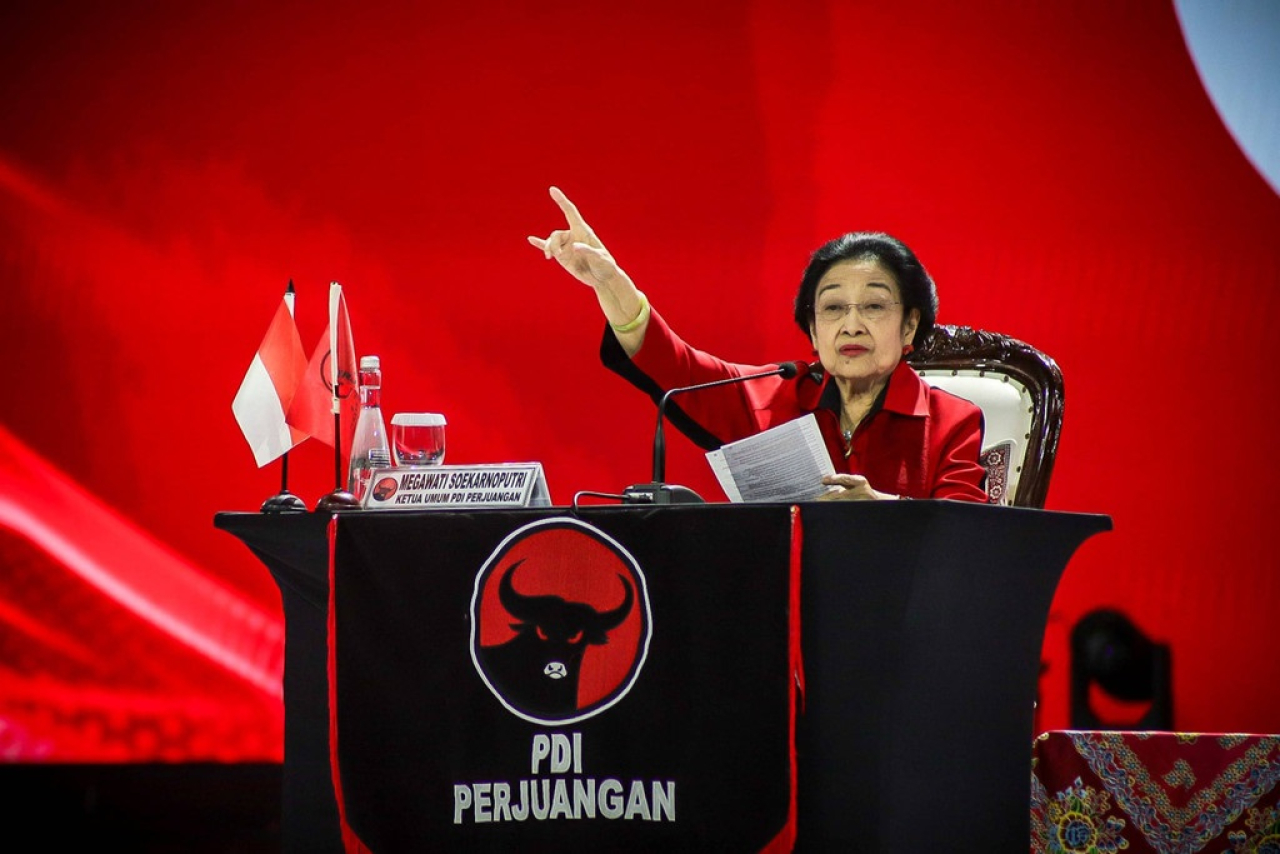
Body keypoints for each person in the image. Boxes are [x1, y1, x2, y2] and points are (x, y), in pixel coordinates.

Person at [528, 186, 988, 502]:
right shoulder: (778, 397)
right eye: (832, 308)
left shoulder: (952, 421)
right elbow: (675, 365)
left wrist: (882, 510)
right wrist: (609, 283)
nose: (851, 326)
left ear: (909, 326)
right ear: (813, 330)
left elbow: (966, 536)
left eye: (873, 306)